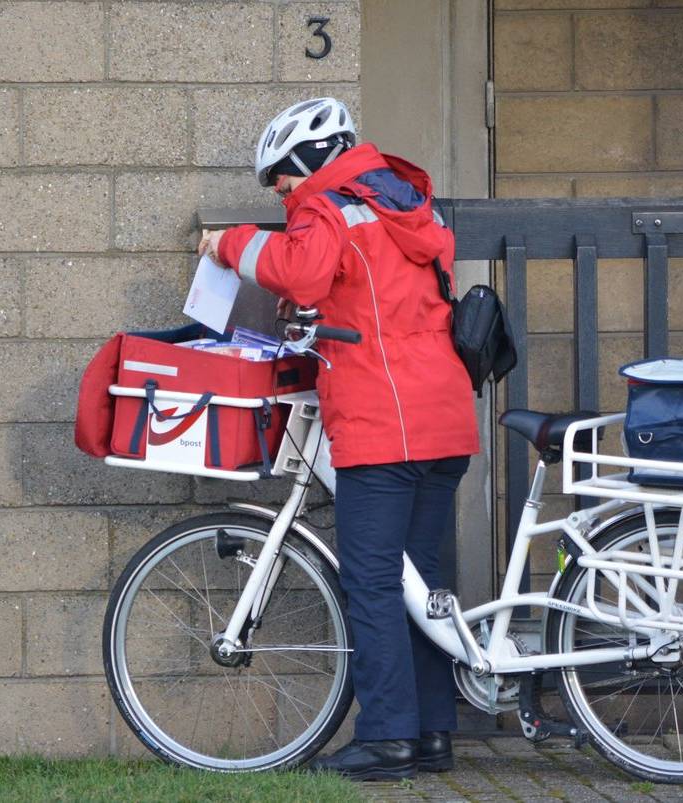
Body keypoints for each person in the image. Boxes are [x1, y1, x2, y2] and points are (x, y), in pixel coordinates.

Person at [199, 97, 479, 781]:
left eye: (280, 178)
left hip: (384, 421)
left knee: (374, 583)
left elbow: (299, 270)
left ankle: (386, 739)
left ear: (307, 162)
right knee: (420, 582)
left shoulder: (332, 208)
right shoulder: (405, 203)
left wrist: (226, 242)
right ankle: (432, 733)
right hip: (443, 417)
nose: (278, 192)